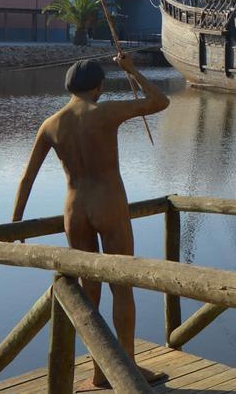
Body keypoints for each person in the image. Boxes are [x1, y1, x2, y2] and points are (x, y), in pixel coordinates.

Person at [11, 53, 170, 391]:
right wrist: (132, 70)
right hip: (108, 205)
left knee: (88, 293)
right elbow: (160, 101)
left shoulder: (51, 124)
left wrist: (15, 224)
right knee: (121, 287)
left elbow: (27, 178)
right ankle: (125, 369)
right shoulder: (105, 112)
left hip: (75, 210)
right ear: (98, 86)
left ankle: (100, 370)